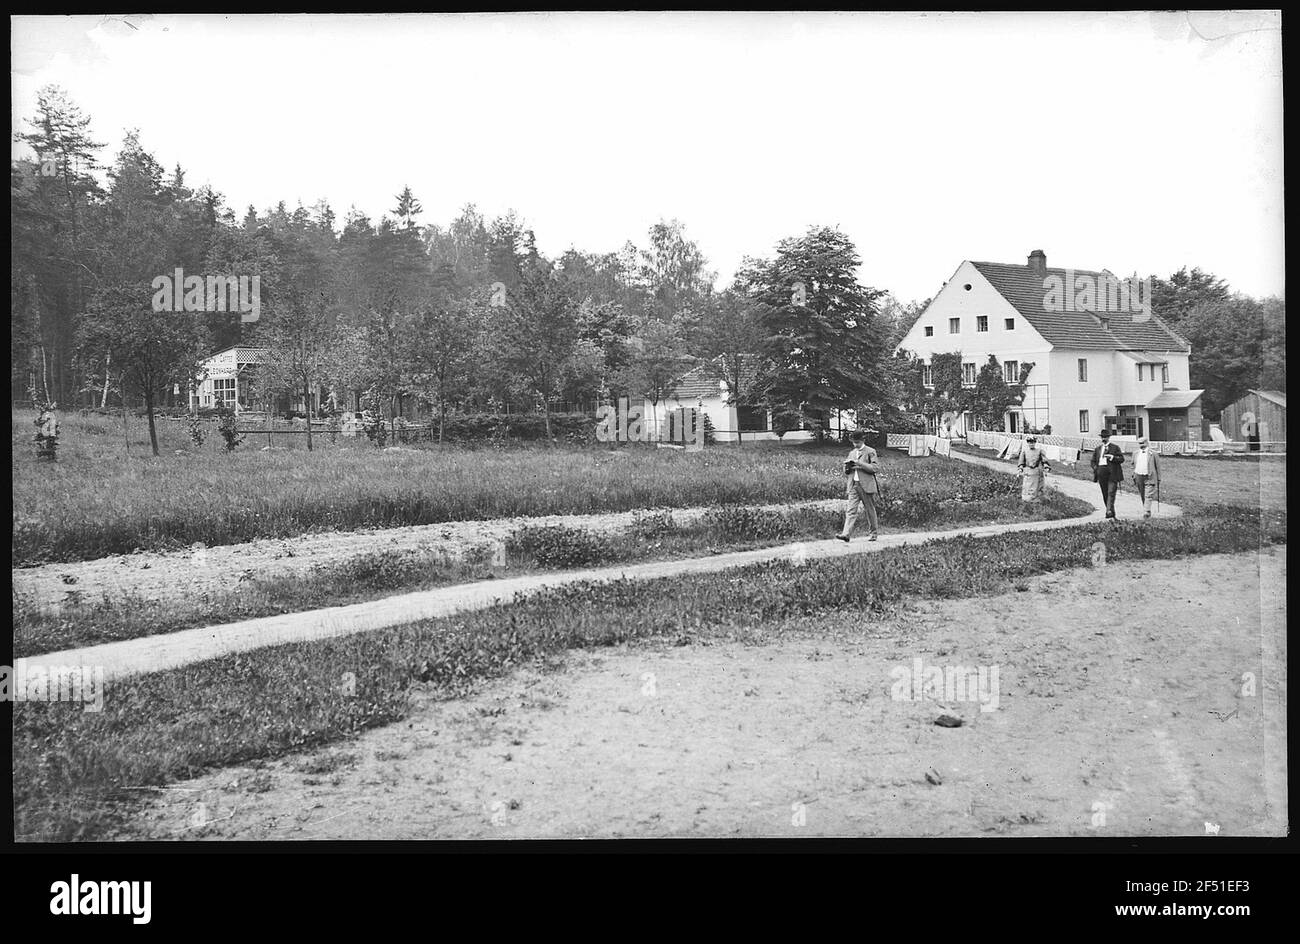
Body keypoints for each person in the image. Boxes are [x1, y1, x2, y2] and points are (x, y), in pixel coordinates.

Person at [836, 430, 880, 542]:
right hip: (853, 485)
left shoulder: (870, 451)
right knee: (850, 510)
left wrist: (859, 463)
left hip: (866, 485)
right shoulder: (851, 453)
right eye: (854, 442)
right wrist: (847, 467)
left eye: (858, 442)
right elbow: (846, 471)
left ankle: (873, 533)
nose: (856, 445)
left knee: (870, 509)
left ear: (863, 440)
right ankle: (846, 534)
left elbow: (875, 468)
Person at [1090, 428, 1125, 518]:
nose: (1104, 439)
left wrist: (1112, 457)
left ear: (1109, 438)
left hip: (1112, 473)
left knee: (1111, 492)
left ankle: (1108, 511)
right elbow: (1093, 461)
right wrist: (1096, 468)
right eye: (1102, 437)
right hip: (1101, 474)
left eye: (1105, 437)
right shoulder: (1098, 449)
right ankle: (1111, 512)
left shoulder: (1115, 447)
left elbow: (1121, 459)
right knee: (1105, 493)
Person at [1131, 436, 1161, 519]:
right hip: (1139, 476)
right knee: (1143, 494)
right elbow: (1133, 464)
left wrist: (1159, 478)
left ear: (1147, 443)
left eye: (1143, 443)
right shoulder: (1135, 453)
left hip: (1149, 476)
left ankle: (1146, 511)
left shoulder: (1153, 453)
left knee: (1148, 495)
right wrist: (1134, 474)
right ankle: (1147, 509)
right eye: (1140, 443)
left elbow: (1157, 466)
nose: (1141, 445)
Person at [1017, 435, 1052, 502]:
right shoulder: (1024, 451)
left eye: (1032, 442)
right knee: (1027, 486)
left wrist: (1046, 467)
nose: (1031, 444)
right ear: (1028, 443)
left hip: (1036, 471)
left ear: (1035, 443)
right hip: (1028, 471)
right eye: (1030, 443)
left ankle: (1035, 499)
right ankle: (1026, 499)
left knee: (1036, 486)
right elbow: (1021, 461)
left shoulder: (1039, 451)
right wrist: (1020, 468)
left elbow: (1044, 460)